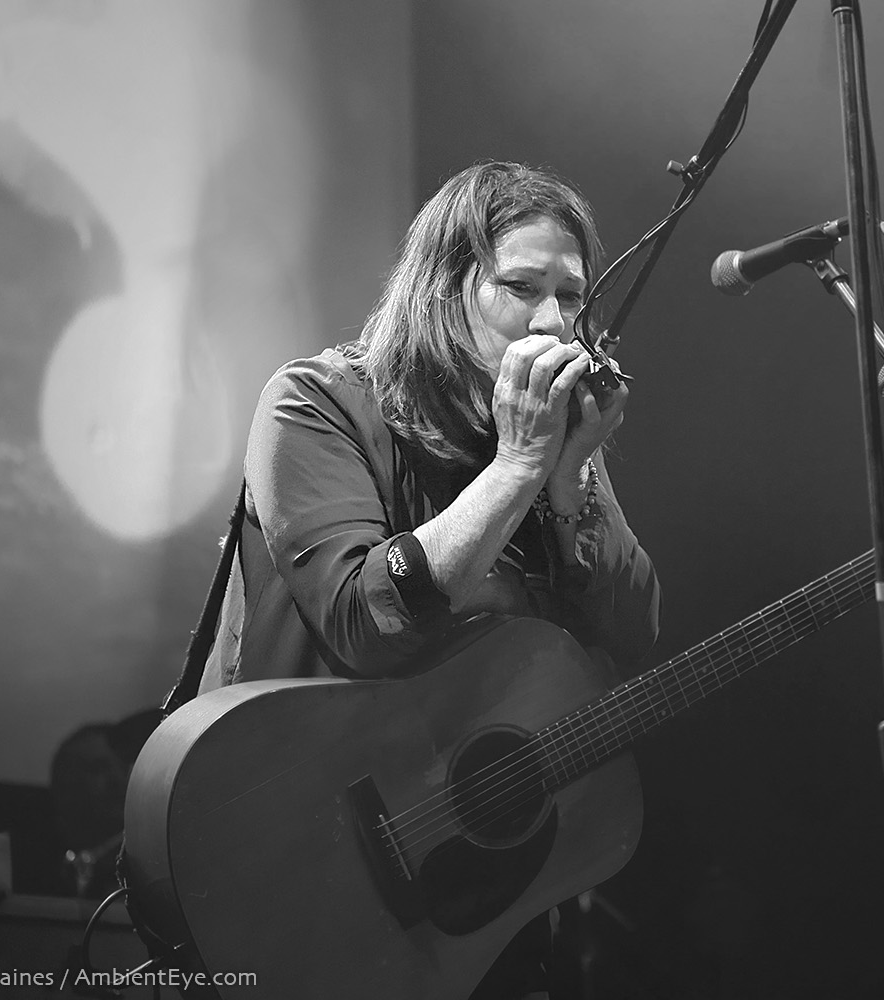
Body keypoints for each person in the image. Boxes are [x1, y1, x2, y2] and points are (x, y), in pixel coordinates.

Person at [198, 161, 662, 999]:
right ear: (445, 292)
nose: (557, 324)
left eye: (573, 296)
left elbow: (632, 637)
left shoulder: (552, 449)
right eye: (522, 286)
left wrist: (566, 486)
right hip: (291, 866)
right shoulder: (317, 402)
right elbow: (364, 625)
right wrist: (520, 464)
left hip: (476, 907)